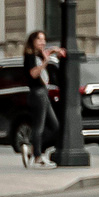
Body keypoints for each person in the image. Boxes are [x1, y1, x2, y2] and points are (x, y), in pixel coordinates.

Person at [19, 28, 63, 166]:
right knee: (39, 127)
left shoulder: (38, 54)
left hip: (43, 92)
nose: (43, 42)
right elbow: (33, 74)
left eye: (44, 39)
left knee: (55, 126)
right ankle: (37, 157)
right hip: (37, 93)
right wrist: (45, 62)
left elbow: (47, 51)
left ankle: (32, 148)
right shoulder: (30, 56)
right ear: (33, 41)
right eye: (40, 39)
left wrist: (56, 50)